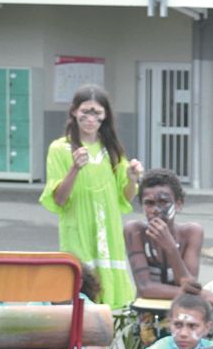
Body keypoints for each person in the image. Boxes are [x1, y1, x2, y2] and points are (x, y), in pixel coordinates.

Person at [39, 84, 141, 308]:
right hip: (78, 230)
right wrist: (74, 168)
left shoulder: (112, 150)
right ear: (74, 111)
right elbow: (59, 199)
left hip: (109, 232)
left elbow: (125, 197)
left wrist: (133, 178)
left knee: (112, 300)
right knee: (82, 290)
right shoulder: (60, 148)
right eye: (85, 111)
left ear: (105, 116)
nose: (90, 118)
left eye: (97, 112)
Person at [123, 168, 209, 305]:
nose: (155, 210)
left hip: (179, 312)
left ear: (178, 204)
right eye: (149, 203)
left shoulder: (191, 232)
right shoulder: (135, 231)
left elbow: (188, 283)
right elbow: (145, 288)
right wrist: (203, 295)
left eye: (163, 202)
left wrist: (170, 247)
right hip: (146, 316)